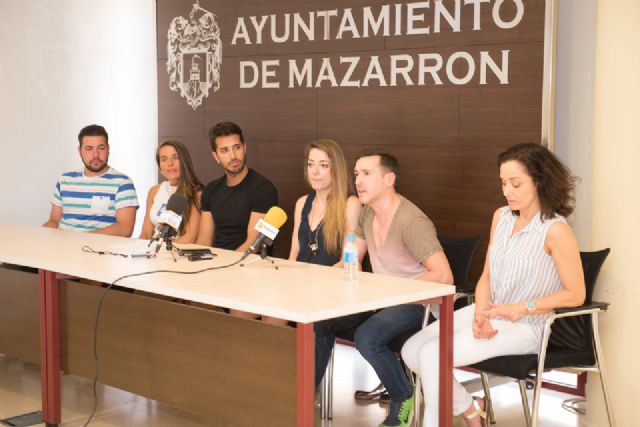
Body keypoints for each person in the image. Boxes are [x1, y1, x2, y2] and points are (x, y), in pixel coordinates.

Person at [401, 143, 585, 427]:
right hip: (490, 312)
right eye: (503, 183)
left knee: (431, 354)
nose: (507, 191)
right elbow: (486, 275)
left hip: (527, 327)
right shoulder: (501, 217)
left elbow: (576, 294)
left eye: (515, 183)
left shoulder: (556, 231)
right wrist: (480, 313)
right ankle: (470, 409)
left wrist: (523, 307)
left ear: (538, 181)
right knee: (411, 350)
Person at [317, 150, 453, 427]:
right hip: (382, 299)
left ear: (389, 179)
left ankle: (403, 396)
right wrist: (322, 277)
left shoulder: (411, 221)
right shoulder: (367, 213)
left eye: (366, 174)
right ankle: (306, 393)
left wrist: (393, 294)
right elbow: (352, 259)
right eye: (356, 174)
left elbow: (443, 274)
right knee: (322, 322)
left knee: (367, 337)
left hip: (419, 304)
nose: (358, 181)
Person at [196, 121, 278, 252]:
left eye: (237, 147)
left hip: (248, 262)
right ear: (216, 156)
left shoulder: (263, 189)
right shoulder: (211, 190)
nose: (233, 156)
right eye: (224, 150)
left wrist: (226, 264)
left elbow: (252, 246)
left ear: (245, 148)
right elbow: (204, 240)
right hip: (217, 261)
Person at [43, 124, 138, 236]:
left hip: (99, 246)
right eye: (89, 149)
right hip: (62, 244)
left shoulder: (122, 183)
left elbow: (125, 228)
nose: (96, 155)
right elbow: (54, 221)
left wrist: (80, 240)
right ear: (79, 150)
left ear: (108, 149)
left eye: (101, 148)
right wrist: (40, 236)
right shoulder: (64, 180)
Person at [139, 141, 203, 244]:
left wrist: (162, 248)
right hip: (154, 250)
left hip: (178, 251)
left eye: (176, 158)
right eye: (164, 159)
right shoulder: (154, 191)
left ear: (184, 161)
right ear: (160, 167)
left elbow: (190, 238)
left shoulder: (197, 193)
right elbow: (146, 233)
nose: (170, 163)